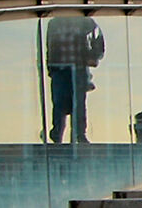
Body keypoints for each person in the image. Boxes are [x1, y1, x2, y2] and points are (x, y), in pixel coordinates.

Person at [43, 12, 105, 144]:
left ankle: (77, 134)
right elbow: (49, 47)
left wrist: (93, 56)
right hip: (61, 68)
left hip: (77, 69)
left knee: (77, 103)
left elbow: (98, 37)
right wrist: (50, 67)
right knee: (61, 103)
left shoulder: (84, 22)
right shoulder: (55, 23)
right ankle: (58, 134)